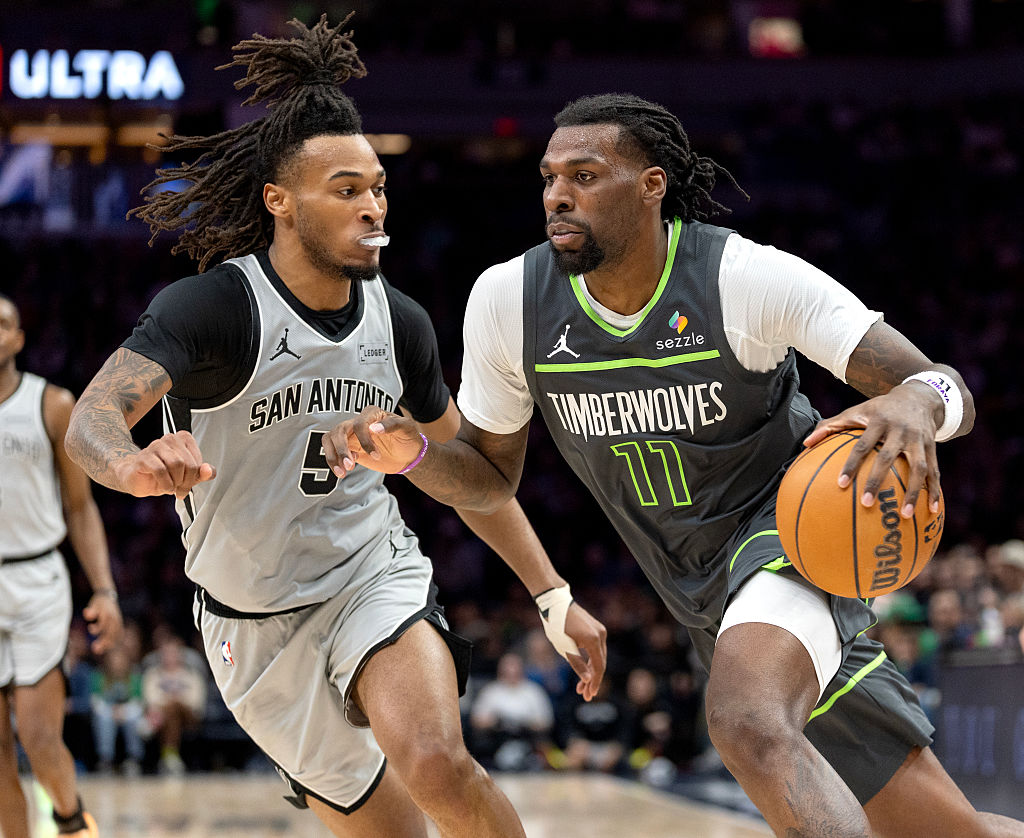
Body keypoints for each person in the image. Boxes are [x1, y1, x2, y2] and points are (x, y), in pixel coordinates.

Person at [326, 93, 1024, 838]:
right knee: (946, 832)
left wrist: (917, 399)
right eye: (549, 178)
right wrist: (416, 455)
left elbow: (946, 387)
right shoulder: (510, 300)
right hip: (701, 597)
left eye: (585, 176)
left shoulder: (740, 277)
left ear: (651, 185)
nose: (557, 195)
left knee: (745, 722)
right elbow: (490, 478)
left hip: (795, 536)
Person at [64, 16, 605, 838]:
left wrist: (552, 593)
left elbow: (475, 477)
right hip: (250, 624)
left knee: (437, 761)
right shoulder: (216, 309)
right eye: (346, 190)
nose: (373, 206)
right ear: (279, 201)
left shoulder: (401, 323)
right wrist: (131, 466)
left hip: (368, 574)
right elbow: (93, 419)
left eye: (378, 187)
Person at [0, 293, 123, 838]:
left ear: (18, 338)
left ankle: (71, 819)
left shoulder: (50, 403)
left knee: (38, 736)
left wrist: (105, 590)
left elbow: (80, 506)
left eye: (2, 323)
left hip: (36, 579)